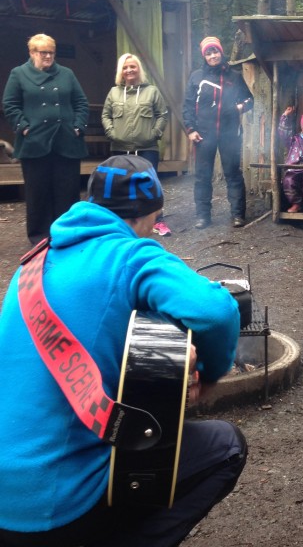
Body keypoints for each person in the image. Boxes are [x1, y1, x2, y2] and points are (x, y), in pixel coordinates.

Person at [0, 154, 247, 547]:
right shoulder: (132, 255)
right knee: (227, 447)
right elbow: (216, 312)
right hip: (56, 509)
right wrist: (212, 375)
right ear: (151, 213)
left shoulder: (31, 265)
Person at [2, 33, 89, 245]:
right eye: (43, 53)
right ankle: (39, 236)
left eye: (51, 52)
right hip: (34, 142)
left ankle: (67, 233)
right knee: (37, 191)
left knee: (67, 191)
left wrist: (78, 126)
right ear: (32, 53)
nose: (48, 56)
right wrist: (23, 127)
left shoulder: (66, 74)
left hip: (66, 141)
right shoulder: (19, 74)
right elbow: (10, 104)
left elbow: (81, 102)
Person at [183, 36, 254, 229]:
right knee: (202, 175)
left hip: (229, 134)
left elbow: (250, 100)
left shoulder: (234, 76)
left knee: (233, 173)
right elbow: (188, 106)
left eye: (215, 52)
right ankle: (203, 217)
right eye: (208, 53)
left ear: (221, 53)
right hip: (203, 134)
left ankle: (238, 215)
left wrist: (239, 108)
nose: (213, 56)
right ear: (204, 56)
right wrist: (190, 130)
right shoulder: (197, 77)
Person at [101, 53, 171, 236]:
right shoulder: (114, 92)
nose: (129, 70)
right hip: (119, 147)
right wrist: (111, 133)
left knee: (150, 184)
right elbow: (106, 115)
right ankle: (122, 221)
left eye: (133, 66)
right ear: (121, 71)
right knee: (120, 185)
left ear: (139, 69)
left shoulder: (152, 91)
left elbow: (163, 114)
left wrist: (155, 133)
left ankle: (157, 220)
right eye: (125, 67)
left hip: (147, 147)